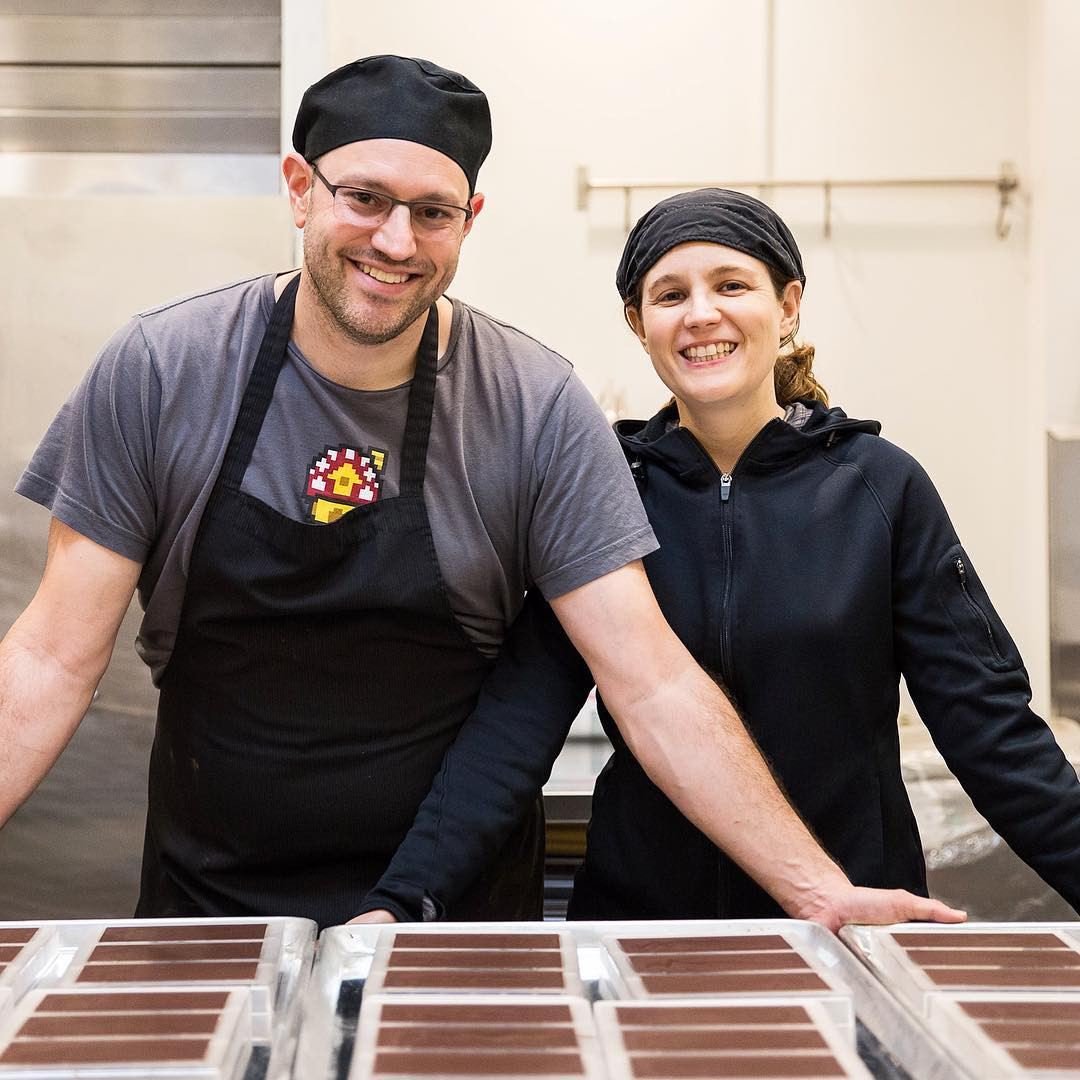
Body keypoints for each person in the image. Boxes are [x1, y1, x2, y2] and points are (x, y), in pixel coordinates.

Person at [0, 56, 957, 931]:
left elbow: (650, 679)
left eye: (432, 211)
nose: (395, 240)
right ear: (299, 188)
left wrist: (817, 889)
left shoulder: (533, 406)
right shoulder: (164, 369)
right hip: (211, 907)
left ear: (470, 218)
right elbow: (51, 657)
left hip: (455, 922)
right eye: (364, 198)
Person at [362, 187, 1080, 922]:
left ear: (788, 306)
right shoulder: (602, 489)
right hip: (642, 930)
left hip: (851, 919)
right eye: (670, 295)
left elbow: (989, 729)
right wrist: (404, 900)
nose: (701, 314)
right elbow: (516, 722)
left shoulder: (880, 488)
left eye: (731, 285)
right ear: (640, 325)